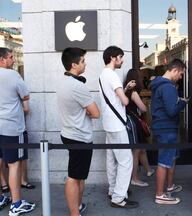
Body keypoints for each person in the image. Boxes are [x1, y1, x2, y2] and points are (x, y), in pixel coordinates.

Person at [0, 47, 35, 215]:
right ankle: (16, 203)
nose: (13, 60)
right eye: (11, 57)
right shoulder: (12, 75)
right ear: (2, 60)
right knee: (14, 164)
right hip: (10, 127)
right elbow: (25, 96)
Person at [57, 47, 100, 216]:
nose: (85, 63)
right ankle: (75, 213)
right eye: (82, 61)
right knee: (74, 177)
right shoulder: (77, 87)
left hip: (69, 133)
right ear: (74, 64)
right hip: (79, 136)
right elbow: (96, 113)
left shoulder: (63, 82)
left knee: (79, 176)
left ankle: (78, 206)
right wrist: (87, 111)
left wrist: (84, 110)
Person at [99, 46, 138, 208]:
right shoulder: (113, 76)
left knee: (111, 158)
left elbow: (113, 96)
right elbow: (125, 101)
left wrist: (125, 88)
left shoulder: (103, 74)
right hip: (117, 124)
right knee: (125, 160)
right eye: (120, 57)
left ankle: (113, 189)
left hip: (108, 122)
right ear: (113, 58)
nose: (122, 60)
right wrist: (126, 92)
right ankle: (119, 197)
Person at [150, 59, 187, 205]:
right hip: (166, 127)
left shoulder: (160, 84)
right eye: (181, 74)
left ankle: (170, 186)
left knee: (170, 158)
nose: (181, 77)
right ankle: (160, 194)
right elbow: (172, 110)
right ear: (175, 70)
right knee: (164, 161)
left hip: (164, 126)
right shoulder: (168, 87)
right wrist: (182, 102)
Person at [124, 69, 153, 187]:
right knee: (136, 151)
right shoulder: (133, 93)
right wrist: (145, 103)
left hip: (131, 121)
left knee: (141, 148)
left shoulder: (125, 90)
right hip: (134, 122)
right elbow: (143, 109)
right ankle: (134, 178)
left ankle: (148, 170)